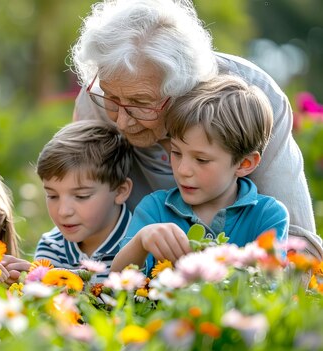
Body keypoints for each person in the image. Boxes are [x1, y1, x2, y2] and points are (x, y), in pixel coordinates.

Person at [70, 0, 323, 259]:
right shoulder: (99, 96)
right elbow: (74, 206)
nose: (121, 122)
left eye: (141, 103)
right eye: (112, 99)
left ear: (183, 88)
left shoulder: (253, 101)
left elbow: (298, 245)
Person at [111, 75, 289, 273]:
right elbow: (116, 281)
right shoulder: (155, 208)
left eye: (201, 160)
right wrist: (141, 241)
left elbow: (269, 287)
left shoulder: (267, 215)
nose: (182, 170)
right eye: (176, 153)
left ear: (244, 163)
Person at [34, 119, 134, 282]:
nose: (63, 211)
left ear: (120, 190)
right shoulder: (52, 247)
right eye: (52, 196)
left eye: (81, 196)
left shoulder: (138, 244)